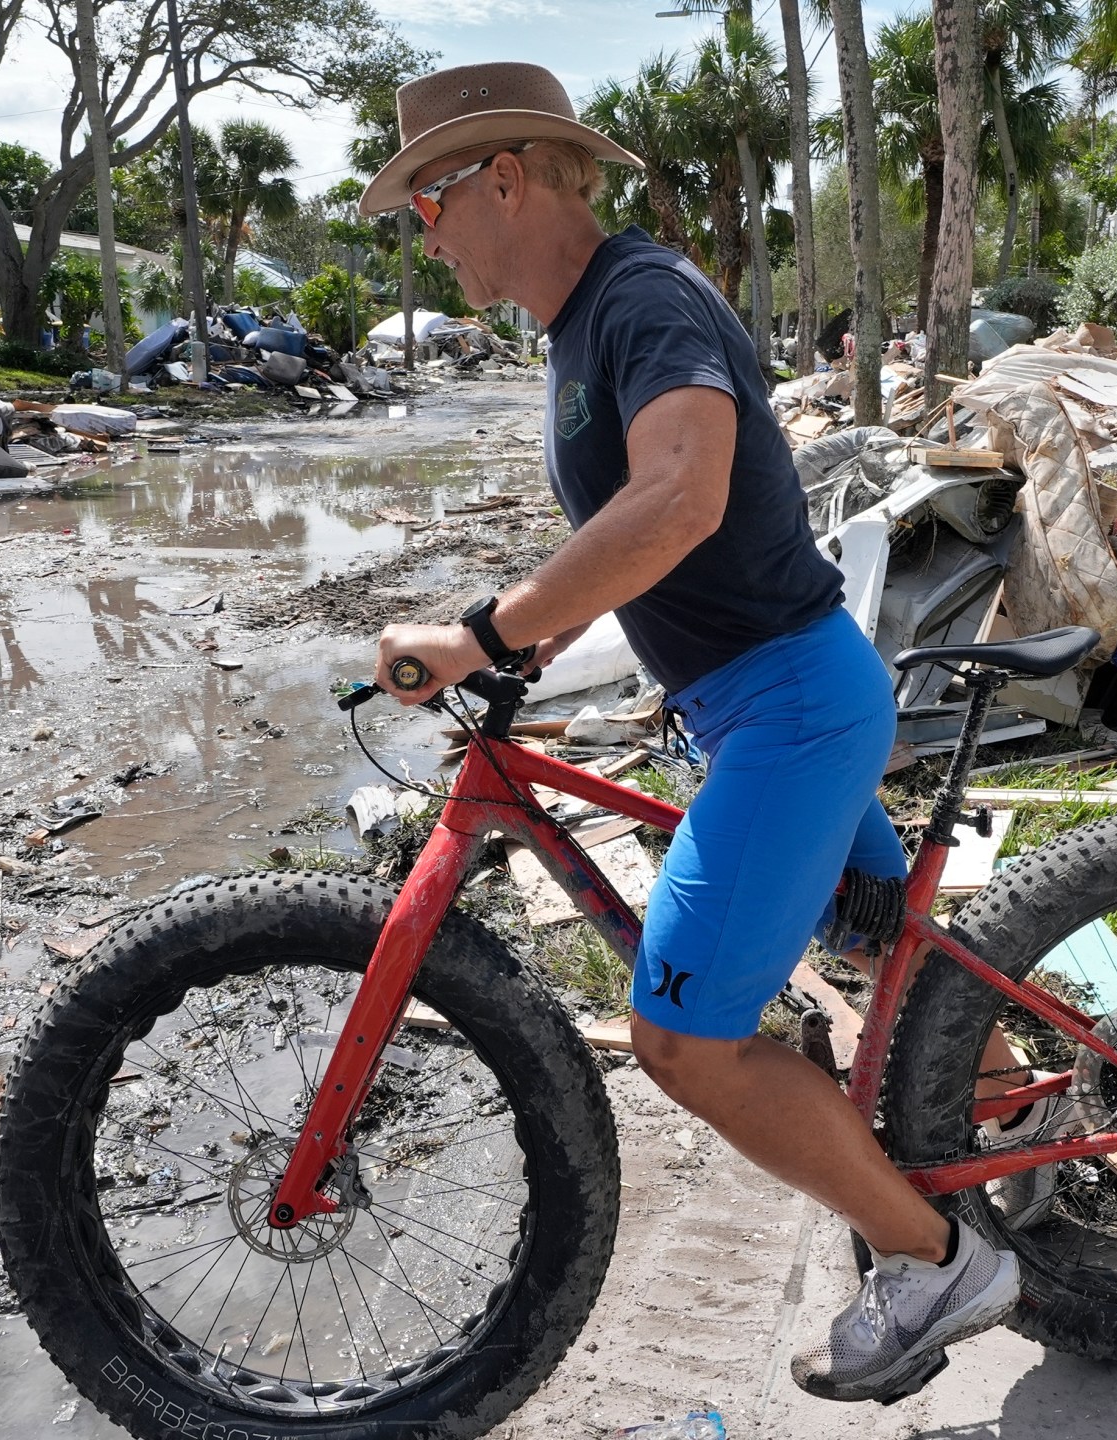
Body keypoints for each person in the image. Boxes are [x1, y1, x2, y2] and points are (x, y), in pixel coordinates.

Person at [357, 61, 1020, 1402]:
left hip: (789, 706)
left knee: (683, 1039)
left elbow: (681, 498)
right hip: (763, 698)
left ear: (509, 174)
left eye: (430, 197)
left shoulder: (644, 301)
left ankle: (941, 1261)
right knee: (894, 951)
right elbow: (635, 531)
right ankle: (1027, 1119)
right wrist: (532, 635)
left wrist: (485, 631)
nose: (422, 232)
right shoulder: (581, 328)